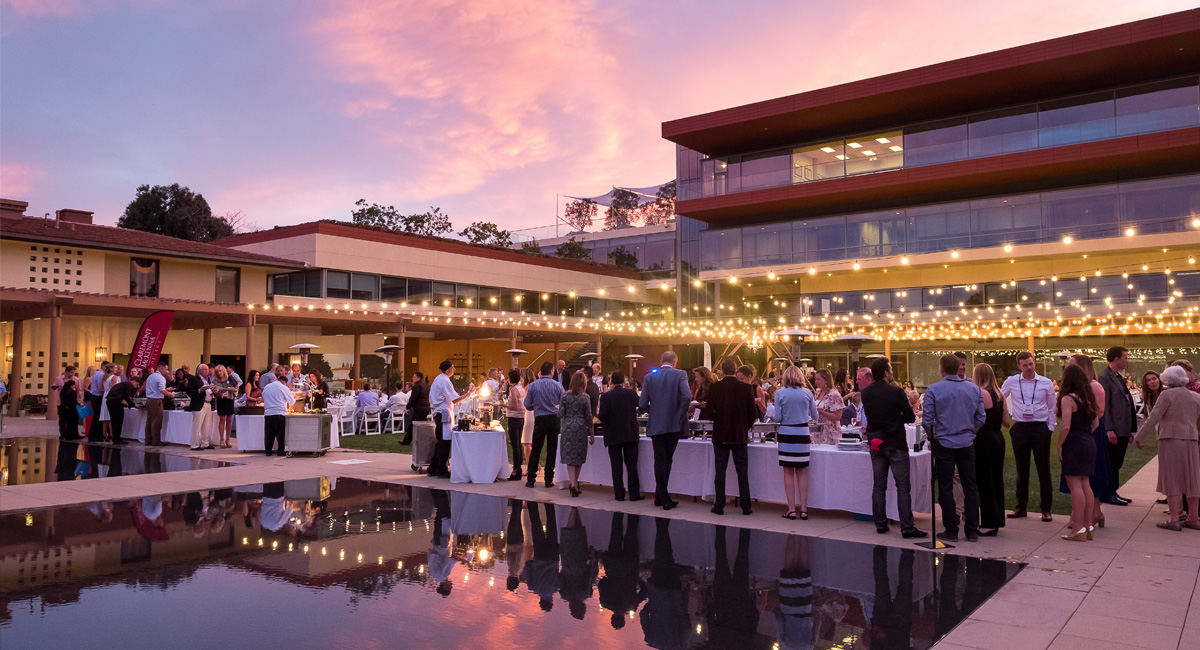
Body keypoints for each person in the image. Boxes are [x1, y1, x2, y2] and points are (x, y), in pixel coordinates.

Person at [922, 354, 985, 543]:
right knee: (970, 486)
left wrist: (933, 436)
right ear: (958, 367)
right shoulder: (974, 389)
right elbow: (981, 418)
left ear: (942, 369)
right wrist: (971, 432)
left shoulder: (934, 389)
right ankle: (972, 530)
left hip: (944, 442)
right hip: (966, 441)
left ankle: (951, 529)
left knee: (946, 486)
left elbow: (927, 421)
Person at [861, 358, 926, 538]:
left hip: (876, 443)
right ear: (885, 372)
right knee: (903, 486)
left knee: (879, 485)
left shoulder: (866, 393)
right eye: (890, 368)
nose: (892, 371)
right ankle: (907, 526)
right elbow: (909, 417)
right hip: (895, 442)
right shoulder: (895, 391)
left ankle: (880, 523)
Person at [1134, 365, 1200, 531]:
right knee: (1192, 478)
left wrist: (1139, 437)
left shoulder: (1166, 395)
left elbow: (1152, 418)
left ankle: (1174, 519)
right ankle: (1193, 517)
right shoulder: (1194, 396)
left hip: (1171, 439)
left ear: (1167, 378)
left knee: (1172, 478)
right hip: (1192, 439)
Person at [1001, 351, 1058, 522]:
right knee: (1021, 470)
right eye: (1025, 365)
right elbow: (999, 397)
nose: (1029, 367)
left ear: (1035, 363)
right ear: (1019, 366)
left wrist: (1050, 427)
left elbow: (1052, 406)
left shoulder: (1045, 383)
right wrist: (1004, 416)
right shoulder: (1011, 381)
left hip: (1040, 427)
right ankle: (1021, 506)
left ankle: (1046, 509)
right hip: (1020, 428)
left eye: (1031, 364)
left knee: (1044, 470)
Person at [1062, 355, 1114, 533]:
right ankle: (1082, 518)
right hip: (1087, 433)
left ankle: (1090, 516)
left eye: (1071, 365)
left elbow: (1097, 415)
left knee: (1086, 478)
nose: (1068, 368)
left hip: (1088, 434)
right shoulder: (1082, 391)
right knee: (1083, 480)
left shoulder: (1093, 386)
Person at [638, 351, 691, 511]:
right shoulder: (680, 374)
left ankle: (659, 496)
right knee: (667, 460)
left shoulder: (649, 377)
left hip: (656, 424)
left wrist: (652, 411)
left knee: (659, 460)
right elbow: (687, 397)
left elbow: (642, 403)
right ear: (675, 361)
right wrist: (680, 414)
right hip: (674, 424)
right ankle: (664, 498)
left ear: (661, 360)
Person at [707, 359, 758, 516]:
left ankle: (719, 506)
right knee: (742, 472)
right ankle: (746, 506)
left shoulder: (714, 387)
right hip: (739, 435)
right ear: (735, 370)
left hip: (721, 435)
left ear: (722, 371)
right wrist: (744, 426)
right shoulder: (746, 388)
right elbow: (753, 414)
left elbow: (709, 413)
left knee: (720, 472)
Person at [1058, 364, 1098, 541]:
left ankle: (1078, 528)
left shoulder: (1068, 399)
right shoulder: (1088, 398)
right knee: (1086, 484)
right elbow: (1095, 423)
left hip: (1074, 442)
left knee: (1075, 486)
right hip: (1088, 440)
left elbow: (1066, 425)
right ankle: (1088, 526)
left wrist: (1059, 445)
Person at [774, 365, 819, 520]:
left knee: (788, 472)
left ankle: (792, 509)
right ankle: (804, 510)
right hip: (802, 433)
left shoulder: (779, 393)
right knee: (802, 472)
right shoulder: (808, 393)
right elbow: (815, 416)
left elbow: (778, 418)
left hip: (786, 433)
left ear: (785, 377)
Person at [972, 363, 1008, 535]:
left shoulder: (982, 393)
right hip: (998, 437)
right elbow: (1006, 421)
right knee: (996, 479)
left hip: (984, 438)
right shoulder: (1000, 394)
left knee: (984, 480)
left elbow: (979, 420)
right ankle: (997, 518)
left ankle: (989, 522)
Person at [1098, 346, 1136, 505]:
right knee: (1112, 461)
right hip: (1114, 429)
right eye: (1125, 357)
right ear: (1116, 359)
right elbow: (1105, 405)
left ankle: (1113, 491)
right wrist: (1109, 429)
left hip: (1123, 428)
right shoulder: (1104, 377)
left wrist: (1130, 429)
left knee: (1117, 461)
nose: (1127, 360)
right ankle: (1108, 493)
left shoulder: (1118, 377)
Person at [597, 370, 641, 501]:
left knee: (616, 466)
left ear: (611, 382)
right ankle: (634, 494)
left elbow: (602, 416)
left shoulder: (606, 397)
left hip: (613, 434)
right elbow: (641, 406)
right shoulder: (631, 393)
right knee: (632, 465)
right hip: (629, 433)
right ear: (623, 381)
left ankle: (619, 494)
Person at [428, 360, 475, 479]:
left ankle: (433, 468)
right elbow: (455, 399)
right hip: (444, 413)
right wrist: (469, 394)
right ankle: (440, 469)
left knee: (440, 441)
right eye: (453, 367)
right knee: (444, 441)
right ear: (448, 369)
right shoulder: (444, 381)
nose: (455, 369)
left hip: (440, 412)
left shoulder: (439, 379)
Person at [524, 361, 565, 487]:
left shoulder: (533, 386)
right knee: (552, 450)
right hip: (554, 419)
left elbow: (527, 404)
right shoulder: (558, 386)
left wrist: (535, 407)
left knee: (536, 449)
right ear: (552, 372)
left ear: (540, 372)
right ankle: (548, 479)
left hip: (540, 419)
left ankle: (531, 479)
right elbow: (563, 403)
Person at [559, 372, 595, 497]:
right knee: (578, 457)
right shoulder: (585, 398)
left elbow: (561, 414)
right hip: (580, 427)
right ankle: (575, 484)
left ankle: (572, 484)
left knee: (570, 458)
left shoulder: (564, 396)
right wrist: (592, 433)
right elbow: (589, 417)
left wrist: (559, 408)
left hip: (568, 428)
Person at [262, 364, 295, 456]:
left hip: (268, 413)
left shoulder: (267, 387)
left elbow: (263, 396)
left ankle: (268, 451)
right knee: (280, 435)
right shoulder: (283, 388)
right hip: (279, 413)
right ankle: (280, 451)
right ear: (284, 382)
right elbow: (291, 401)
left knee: (269, 434)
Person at [184, 364, 216, 451]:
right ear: (199, 371)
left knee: (206, 425)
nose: (207, 371)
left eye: (207, 369)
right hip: (199, 403)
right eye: (204, 370)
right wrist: (199, 390)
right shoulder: (194, 379)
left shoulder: (208, 379)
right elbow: (189, 391)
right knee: (197, 425)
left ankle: (205, 443)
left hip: (208, 403)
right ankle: (194, 444)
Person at [144, 361, 174, 446]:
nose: (167, 371)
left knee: (149, 420)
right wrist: (171, 394)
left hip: (149, 399)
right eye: (165, 369)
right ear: (160, 368)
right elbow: (162, 391)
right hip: (156, 400)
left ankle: (148, 440)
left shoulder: (150, 376)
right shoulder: (160, 378)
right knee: (157, 421)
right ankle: (156, 441)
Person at [504, 369, 526, 481]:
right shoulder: (520, 388)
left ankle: (516, 470)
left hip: (514, 417)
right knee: (518, 444)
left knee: (514, 444)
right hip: (521, 417)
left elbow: (514, 406)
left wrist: (503, 405)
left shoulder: (513, 390)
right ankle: (519, 468)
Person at [106, 375, 140, 445]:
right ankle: (117, 439)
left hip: (110, 400)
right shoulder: (128, 385)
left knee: (114, 420)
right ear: (133, 382)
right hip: (115, 402)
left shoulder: (123, 385)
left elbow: (122, 396)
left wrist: (126, 404)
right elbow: (127, 397)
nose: (137, 385)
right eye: (137, 383)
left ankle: (116, 438)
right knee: (118, 420)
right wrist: (134, 405)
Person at [210, 365, 239, 449]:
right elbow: (214, 392)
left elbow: (236, 388)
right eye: (217, 372)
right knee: (222, 419)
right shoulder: (215, 381)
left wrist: (229, 389)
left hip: (229, 399)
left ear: (224, 371)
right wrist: (218, 392)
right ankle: (222, 439)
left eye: (220, 371)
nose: (219, 373)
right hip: (221, 400)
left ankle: (228, 439)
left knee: (229, 419)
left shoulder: (230, 379)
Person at [813, 369, 843, 445]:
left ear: (826, 380)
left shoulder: (834, 395)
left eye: (818, 379)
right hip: (818, 432)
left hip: (830, 432)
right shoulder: (817, 393)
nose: (816, 382)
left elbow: (838, 416)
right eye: (815, 379)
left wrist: (822, 413)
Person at [400, 372, 429, 446]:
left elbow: (413, 398)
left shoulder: (417, 386)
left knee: (414, 424)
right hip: (425, 407)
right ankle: (406, 441)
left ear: (418, 378)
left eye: (414, 377)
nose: (412, 378)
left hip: (419, 408)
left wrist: (408, 407)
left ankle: (407, 441)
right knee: (415, 424)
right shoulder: (425, 386)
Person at [87, 361, 112, 440]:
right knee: (98, 416)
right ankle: (94, 435)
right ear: (104, 366)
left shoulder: (97, 373)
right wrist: (108, 389)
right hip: (97, 397)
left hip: (94, 396)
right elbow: (100, 388)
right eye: (108, 367)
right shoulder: (101, 375)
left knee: (97, 416)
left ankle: (96, 435)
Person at [57, 366, 82, 440]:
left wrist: (77, 400)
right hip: (62, 403)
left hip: (72, 403)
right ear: (67, 372)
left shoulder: (76, 379)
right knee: (62, 420)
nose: (72, 374)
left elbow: (78, 390)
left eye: (73, 373)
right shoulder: (59, 379)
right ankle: (63, 434)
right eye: (71, 372)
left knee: (72, 419)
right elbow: (57, 389)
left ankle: (72, 434)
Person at [519, 367, 536, 465]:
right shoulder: (533, 385)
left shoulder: (527, 387)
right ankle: (534, 464)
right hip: (532, 413)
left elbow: (526, 401)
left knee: (526, 442)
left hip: (529, 414)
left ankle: (530, 465)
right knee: (529, 441)